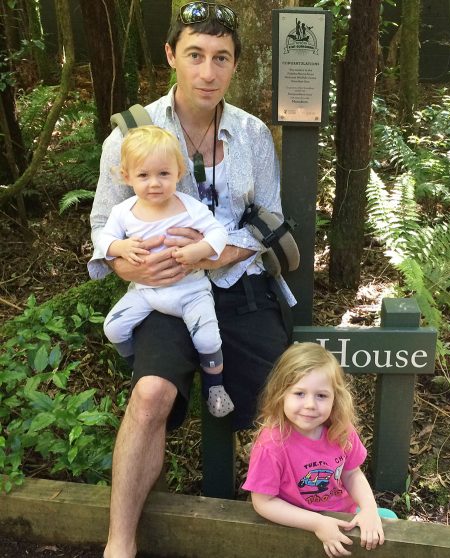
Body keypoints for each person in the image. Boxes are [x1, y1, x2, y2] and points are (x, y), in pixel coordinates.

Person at [88, 3, 294, 557]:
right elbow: (102, 226)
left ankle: (304, 518)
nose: (207, 71)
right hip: (163, 292)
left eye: (221, 58)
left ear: (234, 65)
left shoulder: (251, 134)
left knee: (286, 400)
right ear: (170, 56)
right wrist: (127, 264)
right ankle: (119, 544)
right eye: (195, 55)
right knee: (150, 394)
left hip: (239, 284)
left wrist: (213, 253)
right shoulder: (132, 135)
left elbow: (270, 220)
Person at [99, 125, 233, 418]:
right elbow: (103, 239)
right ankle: (134, 366)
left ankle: (215, 386)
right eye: (143, 175)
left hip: (191, 291)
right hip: (146, 292)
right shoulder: (123, 212)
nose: (154, 183)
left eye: (163, 173)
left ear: (179, 172)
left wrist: (198, 251)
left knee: (208, 339)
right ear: (127, 176)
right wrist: (121, 247)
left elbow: (218, 233)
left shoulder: (189, 207)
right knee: (113, 328)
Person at [242, 343, 396, 558]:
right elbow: (263, 502)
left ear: (335, 398)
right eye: (299, 393)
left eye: (321, 396)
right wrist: (317, 523)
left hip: (344, 516)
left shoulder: (340, 430)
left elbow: (352, 473)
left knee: (389, 522)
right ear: (281, 394)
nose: (310, 405)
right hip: (298, 523)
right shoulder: (271, 444)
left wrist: (369, 509)